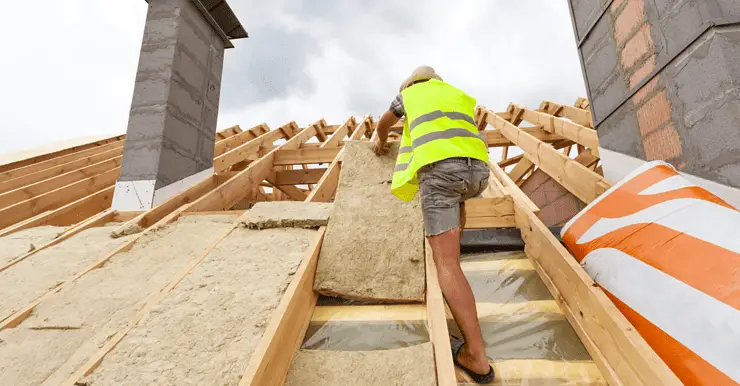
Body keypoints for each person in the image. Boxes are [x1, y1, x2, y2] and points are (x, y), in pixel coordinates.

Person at [373, 65, 495, 384]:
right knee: (457, 207)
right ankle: (454, 278)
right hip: (477, 174)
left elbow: (383, 124)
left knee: (446, 264)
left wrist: (379, 140)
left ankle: (476, 357)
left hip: (442, 175)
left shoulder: (410, 93)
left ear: (411, 84)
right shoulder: (455, 95)